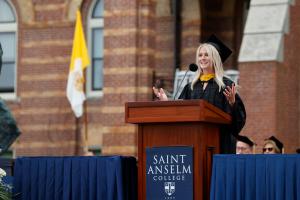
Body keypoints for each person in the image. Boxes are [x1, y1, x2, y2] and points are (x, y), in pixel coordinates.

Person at [153, 34, 246, 153]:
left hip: (220, 144)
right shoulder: (191, 87)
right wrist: (167, 103)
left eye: (207, 55)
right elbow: (181, 114)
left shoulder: (225, 85)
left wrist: (233, 104)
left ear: (215, 58)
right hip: (195, 144)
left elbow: (237, 124)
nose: (202, 58)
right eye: (200, 55)